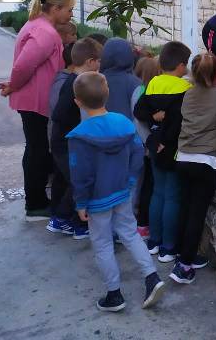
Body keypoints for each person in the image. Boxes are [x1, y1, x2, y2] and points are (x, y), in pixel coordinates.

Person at [67, 71, 166, 312]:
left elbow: (81, 174)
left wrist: (81, 202)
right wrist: (130, 180)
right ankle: (152, 276)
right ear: (107, 93)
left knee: (102, 243)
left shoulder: (79, 137)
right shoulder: (124, 123)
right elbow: (137, 154)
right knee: (130, 233)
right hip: (122, 191)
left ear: (78, 102)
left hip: (97, 199)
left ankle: (114, 294)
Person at [0, 0, 74, 221]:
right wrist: (13, 85)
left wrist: (14, 84)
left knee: (36, 149)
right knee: (37, 151)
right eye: (69, 10)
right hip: (35, 101)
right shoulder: (44, 32)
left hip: (35, 99)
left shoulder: (39, 26)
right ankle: (35, 203)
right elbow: (24, 66)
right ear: (56, 9)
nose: (71, 14)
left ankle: (37, 200)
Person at [169, 53, 216, 284]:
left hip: (183, 158)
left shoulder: (188, 94)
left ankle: (181, 253)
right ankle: (185, 266)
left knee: (184, 208)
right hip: (206, 161)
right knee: (197, 214)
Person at [134, 41, 192, 264]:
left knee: (158, 192)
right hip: (174, 148)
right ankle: (168, 247)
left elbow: (139, 111)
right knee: (173, 196)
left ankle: (154, 241)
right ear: (180, 66)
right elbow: (180, 121)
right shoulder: (185, 89)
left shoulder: (153, 84)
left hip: (155, 146)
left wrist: (153, 121)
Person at [48, 38, 103, 238]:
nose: (100, 65)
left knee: (74, 181)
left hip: (67, 142)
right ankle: (65, 219)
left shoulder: (76, 81)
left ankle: (66, 219)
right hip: (65, 144)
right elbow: (59, 114)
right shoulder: (75, 84)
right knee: (80, 182)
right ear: (90, 62)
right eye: (99, 61)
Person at [132, 57, 160, 239]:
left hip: (142, 144)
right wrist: (149, 143)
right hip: (147, 146)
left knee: (145, 184)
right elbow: (140, 123)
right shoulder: (147, 92)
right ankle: (143, 223)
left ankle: (142, 223)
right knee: (149, 185)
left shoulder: (138, 90)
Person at [100, 39, 142, 121]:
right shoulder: (136, 83)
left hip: (96, 128)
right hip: (127, 128)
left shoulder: (94, 80)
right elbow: (139, 118)